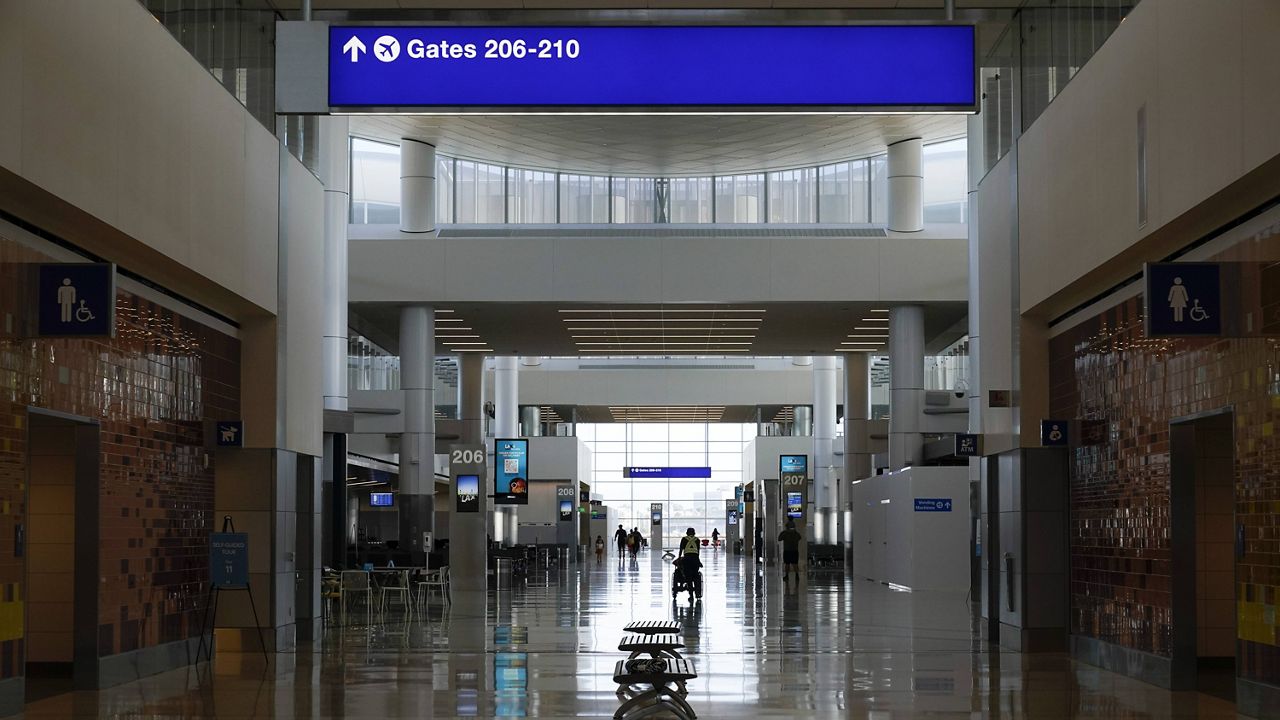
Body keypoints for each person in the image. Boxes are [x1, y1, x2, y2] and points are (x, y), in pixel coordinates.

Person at [779, 519, 803, 584]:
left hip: (787, 550)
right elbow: (800, 538)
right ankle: (797, 575)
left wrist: (785, 532)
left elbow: (779, 538)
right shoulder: (796, 533)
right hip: (794, 550)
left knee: (787, 564)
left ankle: (787, 576)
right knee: (795, 564)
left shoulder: (785, 533)